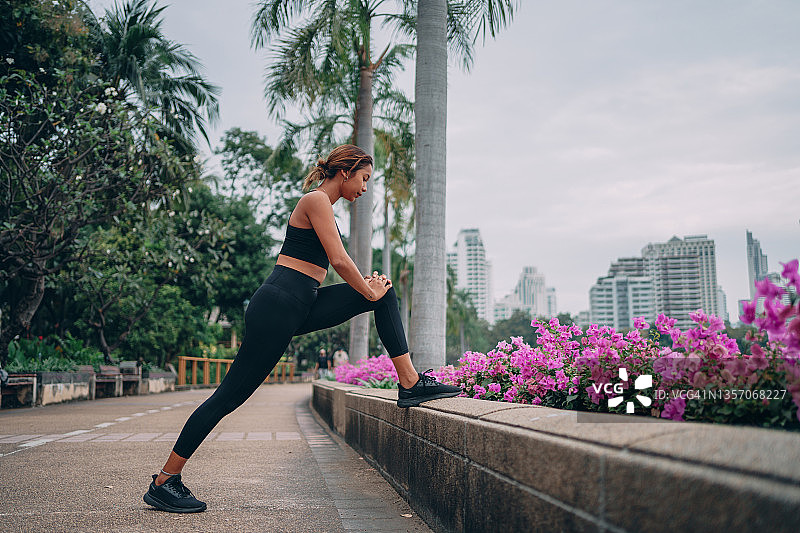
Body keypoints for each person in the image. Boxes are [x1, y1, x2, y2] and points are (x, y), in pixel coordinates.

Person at [143, 144, 461, 513]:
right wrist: (366, 288)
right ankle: (165, 480)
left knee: (384, 296)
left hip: (301, 303)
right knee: (228, 398)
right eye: (363, 179)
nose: (364, 188)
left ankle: (409, 383)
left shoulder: (324, 205)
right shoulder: (315, 200)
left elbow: (337, 266)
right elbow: (340, 259)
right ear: (346, 171)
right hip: (277, 306)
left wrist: (372, 291)